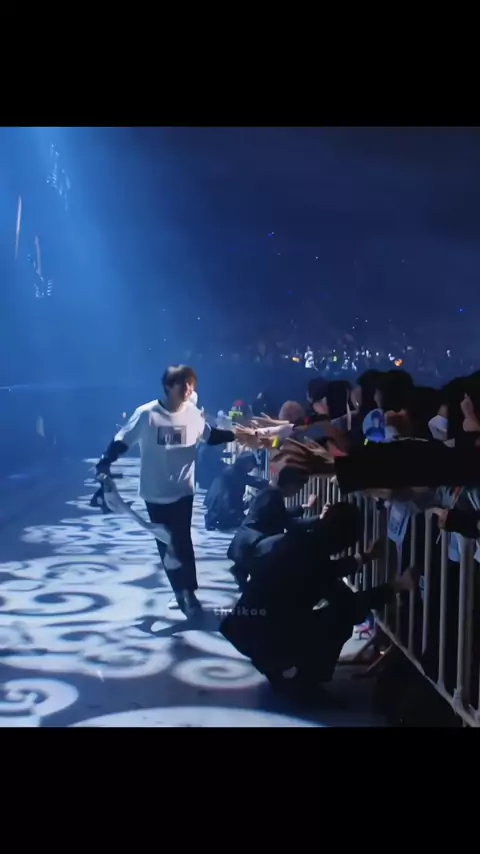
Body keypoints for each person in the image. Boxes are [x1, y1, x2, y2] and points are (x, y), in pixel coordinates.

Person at [220, 500, 417, 702]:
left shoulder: (296, 540)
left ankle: (274, 668)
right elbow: (350, 603)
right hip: (263, 639)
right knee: (340, 617)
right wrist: (396, 586)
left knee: (302, 616)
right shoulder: (315, 560)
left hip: (243, 630)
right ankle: (306, 685)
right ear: (345, 542)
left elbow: (327, 570)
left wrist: (365, 557)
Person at [95, 365, 239, 616]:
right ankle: (180, 591)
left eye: (191, 384)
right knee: (166, 542)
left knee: (182, 540)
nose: (188, 389)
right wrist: (105, 463)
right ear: (167, 386)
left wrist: (237, 434)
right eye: (182, 384)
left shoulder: (192, 413)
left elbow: (211, 435)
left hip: (183, 491)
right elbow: (122, 441)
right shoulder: (147, 414)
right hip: (156, 492)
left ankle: (189, 592)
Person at [227, 466, 319, 589]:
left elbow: (279, 515)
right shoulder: (273, 496)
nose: (298, 492)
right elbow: (290, 524)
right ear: (291, 485)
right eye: (299, 487)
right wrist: (320, 518)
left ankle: (243, 571)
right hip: (253, 545)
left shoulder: (269, 493)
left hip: (244, 542)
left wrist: (304, 507)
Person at [203, 451, 267, 531]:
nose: (252, 468)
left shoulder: (233, 470)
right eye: (252, 465)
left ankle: (216, 519)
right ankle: (217, 519)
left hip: (220, 504)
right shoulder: (235, 473)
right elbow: (251, 481)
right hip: (223, 505)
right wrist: (268, 483)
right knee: (239, 522)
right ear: (246, 463)